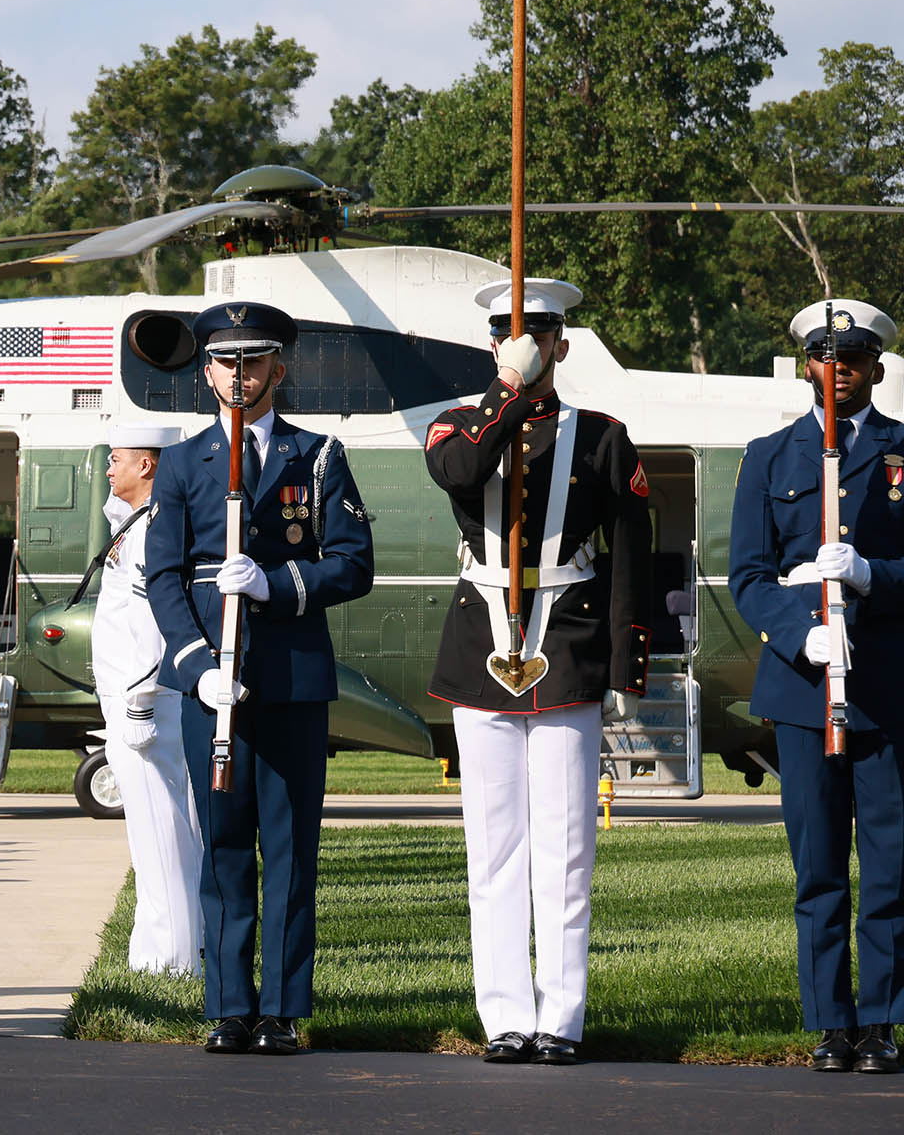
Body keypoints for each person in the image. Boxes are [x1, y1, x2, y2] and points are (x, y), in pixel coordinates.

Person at [423, 279, 652, 1065]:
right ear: (495, 344)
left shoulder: (602, 435)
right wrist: (508, 391)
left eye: (540, 336)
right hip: (480, 649)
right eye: (510, 336)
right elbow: (461, 472)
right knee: (492, 851)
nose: (525, 345)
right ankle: (505, 1019)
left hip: (568, 650)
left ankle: (562, 1017)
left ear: (562, 342)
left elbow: (631, 556)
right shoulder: (458, 422)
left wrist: (625, 665)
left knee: (564, 848)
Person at [143, 302, 375, 1058]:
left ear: (279, 368)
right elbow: (165, 576)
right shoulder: (181, 464)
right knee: (221, 849)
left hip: (293, 681)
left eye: (254, 361)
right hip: (211, 684)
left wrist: (277, 583)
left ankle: (281, 1008)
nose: (239, 375)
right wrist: (194, 667)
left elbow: (352, 563)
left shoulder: (317, 456)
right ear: (206, 370)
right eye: (225, 361)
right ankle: (227, 1007)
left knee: (291, 848)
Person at [729, 299, 904, 1075]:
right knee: (820, 866)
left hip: (889, 691)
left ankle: (883, 1021)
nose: (838, 374)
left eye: (854, 360)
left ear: (877, 367)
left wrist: (872, 577)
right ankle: (831, 1022)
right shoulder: (770, 456)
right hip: (803, 693)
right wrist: (802, 629)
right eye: (824, 360)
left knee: (893, 867)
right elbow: (748, 575)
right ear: (806, 365)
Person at [91, 420, 202, 978]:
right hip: (134, 700)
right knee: (159, 831)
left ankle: (173, 959)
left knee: (162, 833)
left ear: (148, 465)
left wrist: (138, 698)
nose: (108, 469)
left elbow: (159, 623)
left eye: (117, 459)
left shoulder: (154, 527)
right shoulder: (134, 521)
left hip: (146, 706)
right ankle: (164, 946)